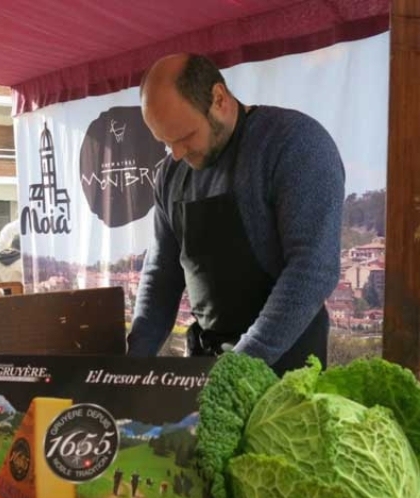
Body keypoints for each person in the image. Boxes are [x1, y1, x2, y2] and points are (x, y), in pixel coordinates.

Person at [127, 53, 344, 375]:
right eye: (166, 142)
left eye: (185, 137)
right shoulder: (171, 174)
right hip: (208, 355)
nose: (177, 154)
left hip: (284, 362)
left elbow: (313, 269)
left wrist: (238, 368)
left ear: (219, 99)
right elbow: (162, 274)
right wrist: (131, 365)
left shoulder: (295, 144)